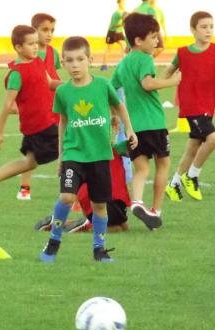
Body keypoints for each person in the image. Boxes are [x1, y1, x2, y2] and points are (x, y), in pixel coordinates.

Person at [39, 36, 137, 264]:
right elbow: (63, 122)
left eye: (80, 59)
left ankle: (99, 249)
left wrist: (130, 130)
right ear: (62, 63)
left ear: (90, 60)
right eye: (69, 60)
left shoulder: (102, 85)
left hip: (100, 155)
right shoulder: (63, 92)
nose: (75, 65)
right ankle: (53, 242)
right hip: (74, 154)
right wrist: (61, 156)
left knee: (99, 205)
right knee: (66, 196)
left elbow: (119, 106)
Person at [0, 25, 60, 208]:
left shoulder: (38, 62)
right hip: (39, 126)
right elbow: (7, 105)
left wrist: (74, 87)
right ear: (19, 47)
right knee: (72, 150)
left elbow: (50, 83)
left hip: (44, 123)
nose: (36, 47)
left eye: (36, 43)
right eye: (31, 44)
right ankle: (76, 198)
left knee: (29, 163)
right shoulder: (17, 74)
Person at [111, 12, 180, 230]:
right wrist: (173, 81)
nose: (157, 41)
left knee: (141, 168)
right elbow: (147, 84)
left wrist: (115, 113)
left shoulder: (123, 64)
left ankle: (138, 202)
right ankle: (156, 210)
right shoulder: (145, 59)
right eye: (153, 37)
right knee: (163, 164)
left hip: (134, 128)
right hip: (154, 123)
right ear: (139, 41)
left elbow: (111, 90)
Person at [162, 11, 215, 202]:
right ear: (192, 30)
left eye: (211, 26)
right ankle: (191, 175)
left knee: (193, 146)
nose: (208, 30)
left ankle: (174, 184)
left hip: (208, 107)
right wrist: (152, 86)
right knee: (213, 138)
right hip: (192, 107)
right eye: (203, 27)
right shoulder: (183, 53)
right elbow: (167, 73)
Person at [13, 13, 61, 201]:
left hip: (55, 105)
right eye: (44, 30)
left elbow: (53, 74)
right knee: (31, 150)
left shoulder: (52, 52)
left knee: (66, 144)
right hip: (37, 110)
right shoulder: (30, 56)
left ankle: (72, 191)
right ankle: (25, 187)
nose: (49, 34)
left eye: (52, 30)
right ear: (34, 31)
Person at [35, 140, 131, 234]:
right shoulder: (112, 149)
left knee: (122, 227)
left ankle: (59, 222)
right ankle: (88, 224)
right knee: (115, 228)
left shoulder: (84, 152)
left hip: (102, 200)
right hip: (105, 199)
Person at [101, 0, 128, 71]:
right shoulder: (116, 13)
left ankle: (123, 66)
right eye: (122, 2)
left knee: (124, 47)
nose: (124, 4)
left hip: (119, 33)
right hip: (112, 32)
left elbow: (126, 18)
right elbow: (113, 25)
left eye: (124, 2)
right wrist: (122, 23)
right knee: (108, 49)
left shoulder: (124, 12)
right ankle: (104, 66)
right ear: (118, 3)